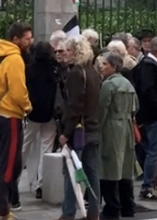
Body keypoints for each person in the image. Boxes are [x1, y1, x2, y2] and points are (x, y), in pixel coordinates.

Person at [0, 22, 34, 220]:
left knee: (1, 161)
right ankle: (1, 209)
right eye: (27, 38)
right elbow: (17, 90)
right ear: (16, 39)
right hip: (10, 115)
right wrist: (27, 106)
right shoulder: (15, 58)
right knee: (10, 165)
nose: (30, 41)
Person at [59, 35, 102, 220]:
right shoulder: (92, 71)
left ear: (76, 52)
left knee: (72, 172)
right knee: (92, 172)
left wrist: (65, 133)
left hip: (79, 130)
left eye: (68, 50)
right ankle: (93, 212)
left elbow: (75, 106)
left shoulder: (76, 73)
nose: (65, 54)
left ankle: (68, 213)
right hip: (92, 127)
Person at [97, 53, 139, 220]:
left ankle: (112, 207)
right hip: (126, 126)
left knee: (109, 166)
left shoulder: (108, 85)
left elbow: (102, 109)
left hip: (111, 127)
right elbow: (136, 107)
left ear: (114, 66)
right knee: (125, 167)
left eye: (105, 64)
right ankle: (128, 205)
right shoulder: (128, 84)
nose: (102, 67)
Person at [130, 35, 157, 202]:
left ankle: (151, 184)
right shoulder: (150, 66)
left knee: (153, 152)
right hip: (155, 117)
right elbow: (148, 91)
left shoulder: (150, 65)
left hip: (152, 116)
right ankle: (147, 187)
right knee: (154, 152)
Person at [24, 41, 60, 199]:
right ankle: (41, 184)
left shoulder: (28, 69)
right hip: (49, 114)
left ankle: (13, 179)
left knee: (24, 147)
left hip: (31, 113)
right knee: (46, 149)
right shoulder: (54, 69)